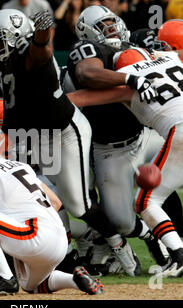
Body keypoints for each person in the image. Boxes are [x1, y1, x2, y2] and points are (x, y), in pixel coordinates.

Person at [0, 8, 149, 276]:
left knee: (79, 204)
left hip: (64, 131)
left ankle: (121, 249)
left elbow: (43, 52)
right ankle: (68, 256)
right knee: (41, 197)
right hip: (36, 136)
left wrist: (41, 34)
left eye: (1, 37)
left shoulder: (29, 50)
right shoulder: (6, 60)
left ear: (18, 36)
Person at [64, 5, 176, 272]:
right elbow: (88, 75)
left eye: (112, 23)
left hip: (146, 133)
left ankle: (177, 242)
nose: (111, 29)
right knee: (123, 222)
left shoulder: (136, 43)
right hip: (110, 148)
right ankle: (149, 236)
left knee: (165, 182)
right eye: (102, 26)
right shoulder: (89, 52)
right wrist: (131, 78)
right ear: (87, 33)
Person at [0, 126, 104, 295]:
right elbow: (55, 202)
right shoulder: (20, 166)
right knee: (30, 285)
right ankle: (74, 280)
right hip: (59, 240)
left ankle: (4, 277)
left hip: (34, 235)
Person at [78, 47, 183, 277]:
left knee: (146, 201)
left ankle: (178, 255)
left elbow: (79, 98)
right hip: (163, 133)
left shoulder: (126, 83)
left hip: (178, 130)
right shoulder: (172, 60)